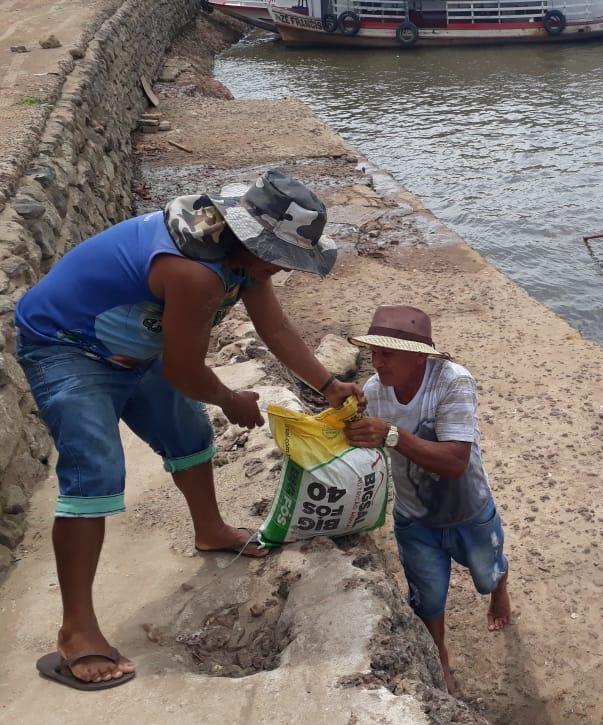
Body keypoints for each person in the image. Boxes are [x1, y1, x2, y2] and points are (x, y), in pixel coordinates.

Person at [15, 169, 363, 691]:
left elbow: (274, 327)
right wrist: (229, 399)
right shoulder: (194, 272)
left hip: (136, 350)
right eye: (279, 255)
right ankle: (76, 631)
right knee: (95, 472)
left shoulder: (240, 258)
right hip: (67, 346)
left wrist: (328, 384)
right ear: (249, 236)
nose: (280, 266)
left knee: (189, 435)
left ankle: (210, 529)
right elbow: (183, 371)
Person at [345, 306, 511, 696]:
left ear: (419, 356)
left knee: (487, 573)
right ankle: (441, 660)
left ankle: (499, 590)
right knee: (427, 598)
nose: (377, 362)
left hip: (468, 507)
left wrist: (391, 435)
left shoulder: (454, 382)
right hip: (414, 515)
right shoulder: (374, 392)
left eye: (388, 353)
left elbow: (455, 461)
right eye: (374, 352)